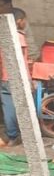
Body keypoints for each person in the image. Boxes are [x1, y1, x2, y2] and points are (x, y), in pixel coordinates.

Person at [0, 8, 29, 147]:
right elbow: (21, 61)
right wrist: (29, 80)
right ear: (18, 21)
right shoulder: (19, 37)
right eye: (24, 20)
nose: (25, 23)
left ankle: (12, 136)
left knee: (8, 108)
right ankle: (24, 136)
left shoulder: (3, 36)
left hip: (5, 78)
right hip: (17, 79)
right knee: (23, 108)